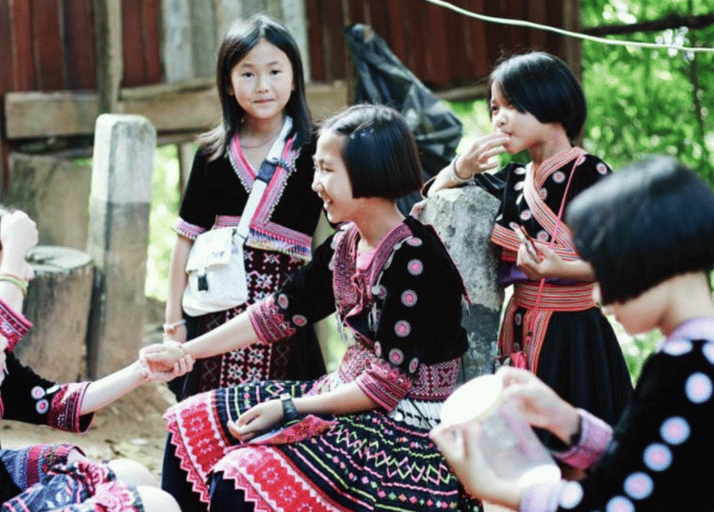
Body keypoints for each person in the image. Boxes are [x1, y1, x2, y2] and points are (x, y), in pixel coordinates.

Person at [144, 104, 482, 512]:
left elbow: (385, 386)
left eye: (326, 170)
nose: (315, 183)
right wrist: (185, 351)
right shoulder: (347, 243)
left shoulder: (415, 260)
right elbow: (276, 313)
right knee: (190, 421)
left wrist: (289, 409)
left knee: (239, 478)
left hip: (403, 426)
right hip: (342, 392)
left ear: (369, 172)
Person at [431, 156, 714, 511]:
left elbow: (619, 500)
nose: (599, 295)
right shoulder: (692, 358)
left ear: (658, 256)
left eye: (607, 269)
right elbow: (646, 464)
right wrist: (566, 421)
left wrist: (492, 486)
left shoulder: (686, 368)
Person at [423, 51, 632, 427]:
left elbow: (624, 261)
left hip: (574, 337)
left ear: (551, 101)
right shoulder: (514, 180)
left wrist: (561, 268)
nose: (499, 117)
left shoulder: (591, 173)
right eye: (494, 108)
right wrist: (461, 167)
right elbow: (432, 196)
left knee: (574, 444)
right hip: (517, 328)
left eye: (513, 105)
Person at [0, 203, 191, 509]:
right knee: (152, 502)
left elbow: (55, 401)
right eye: (13, 260)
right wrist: (13, 249)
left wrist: (142, 371)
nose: (28, 273)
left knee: (130, 474)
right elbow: (0, 322)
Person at [163, 13, 325, 403]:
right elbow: (186, 242)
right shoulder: (212, 154)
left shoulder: (319, 148)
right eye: (248, 74)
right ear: (229, 84)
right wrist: (174, 324)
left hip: (285, 318)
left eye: (274, 71)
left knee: (285, 425)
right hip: (215, 316)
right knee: (208, 417)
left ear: (294, 77)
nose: (263, 86)